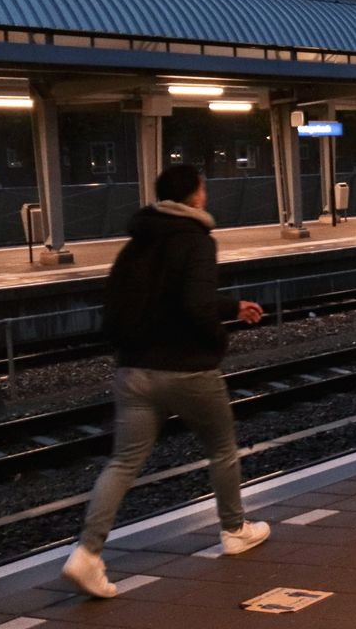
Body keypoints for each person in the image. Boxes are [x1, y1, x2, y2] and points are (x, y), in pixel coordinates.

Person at [62, 164, 271, 598]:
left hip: (134, 370)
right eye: (204, 188)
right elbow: (195, 304)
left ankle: (86, 555)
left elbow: (126, 306)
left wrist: (230, 307)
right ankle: (234, 530)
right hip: (187, 368)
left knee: (123, 462)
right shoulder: (196, 241)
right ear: (194, 197)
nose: (206, 196)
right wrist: (218, 334)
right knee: (222, 449)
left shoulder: (136, 244)